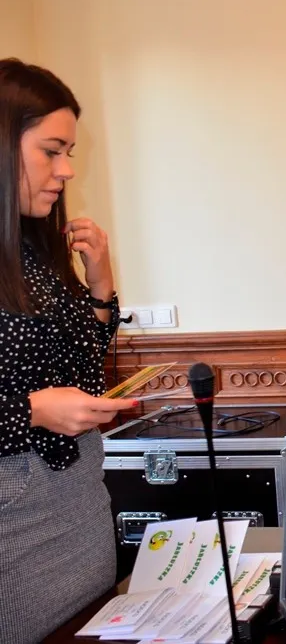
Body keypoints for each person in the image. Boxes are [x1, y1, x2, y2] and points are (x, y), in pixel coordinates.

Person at [0, 58, 137, 643]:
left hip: (78, 504)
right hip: (14, 528)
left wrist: (101, 283)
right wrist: (32, 411)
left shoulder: (34, 246)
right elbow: (39, 399)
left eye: (70, 152)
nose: (67, 170)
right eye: (51, 151)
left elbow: (82, 370)